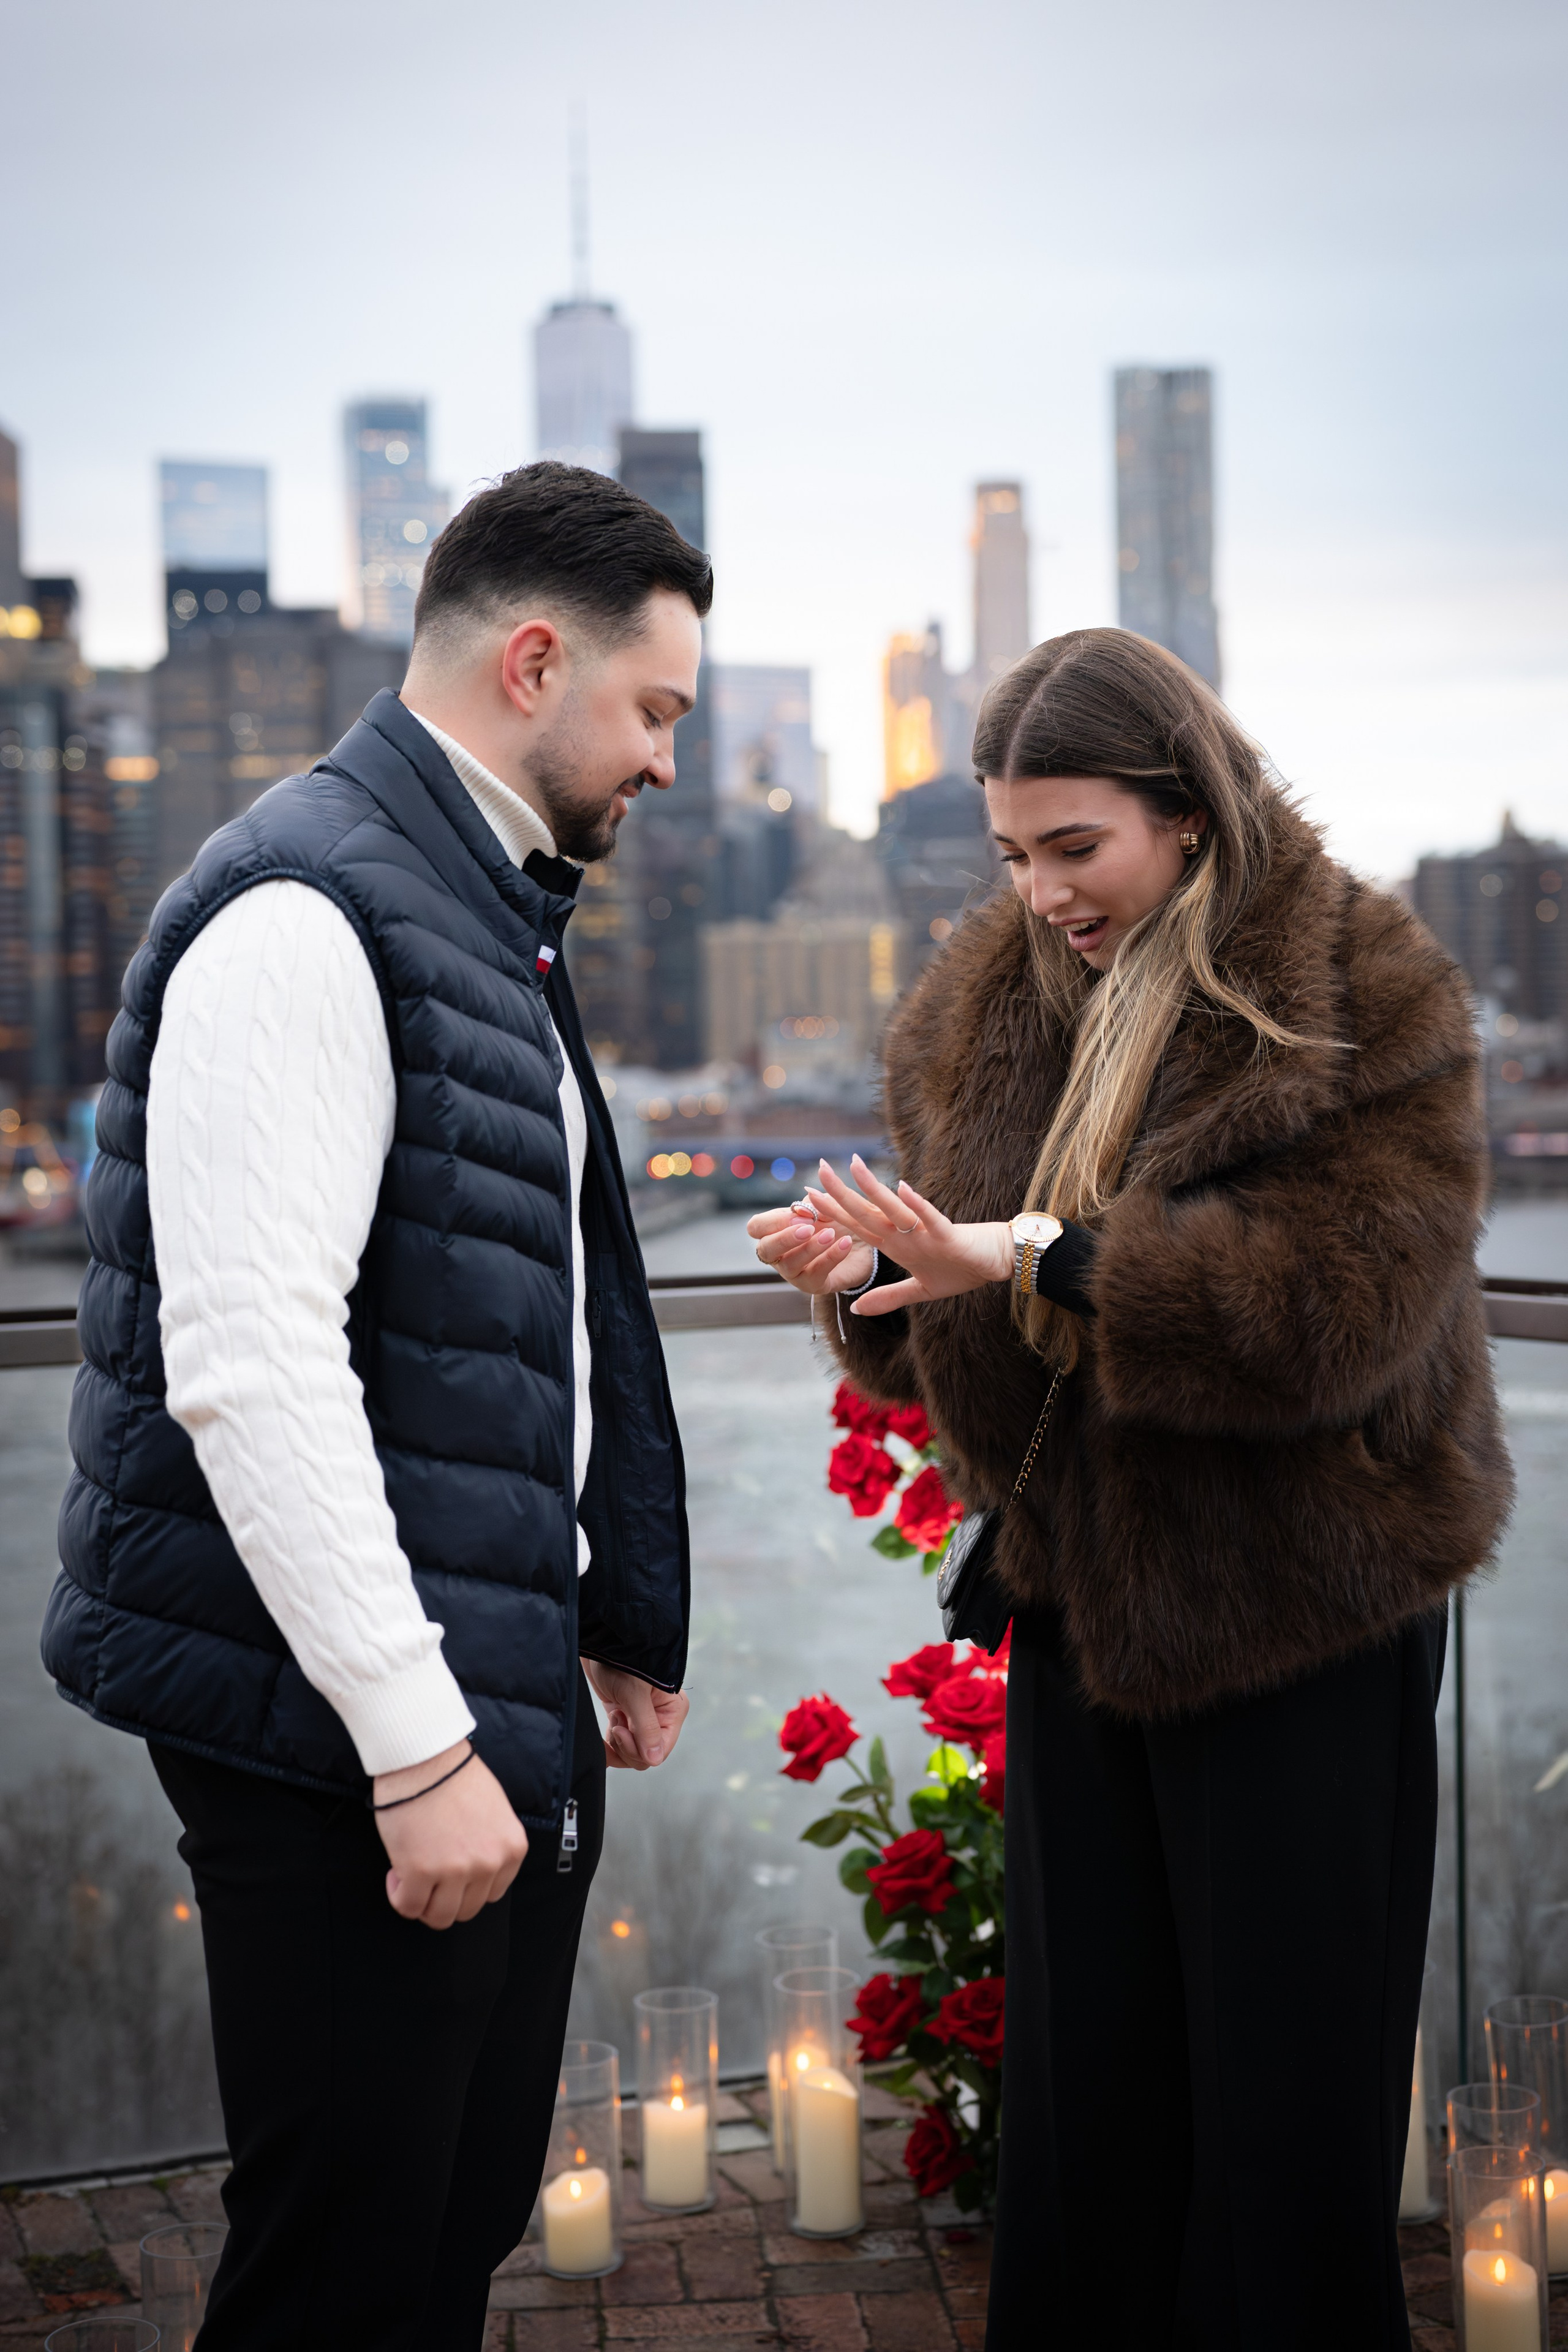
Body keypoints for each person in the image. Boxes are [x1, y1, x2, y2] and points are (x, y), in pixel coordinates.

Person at [750, 628, 1512, 2351]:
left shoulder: (1365, 987)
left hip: (1304, 1610)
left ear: (1188, 812)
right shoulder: (973, 1012)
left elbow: (1339, 1315)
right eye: (1013, 855)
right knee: (1089, 2113)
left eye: (1074, 847)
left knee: (1286, 2127)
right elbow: (955, 1369)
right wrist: (873, 1284)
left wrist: (1035, 1249)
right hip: (1086, 1615)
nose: (1042, 894)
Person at [43, 462, 705, 2348]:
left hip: (449, 1691)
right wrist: (418, 1752)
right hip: (339, 1733)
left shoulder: (474, 907)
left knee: (448, 2223)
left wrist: (599, 1619)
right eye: (651, 708)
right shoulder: (304, 914)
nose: (665, 762)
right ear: (529, 662)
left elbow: (522, 1316)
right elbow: (252, 1366)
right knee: (343, 2267)